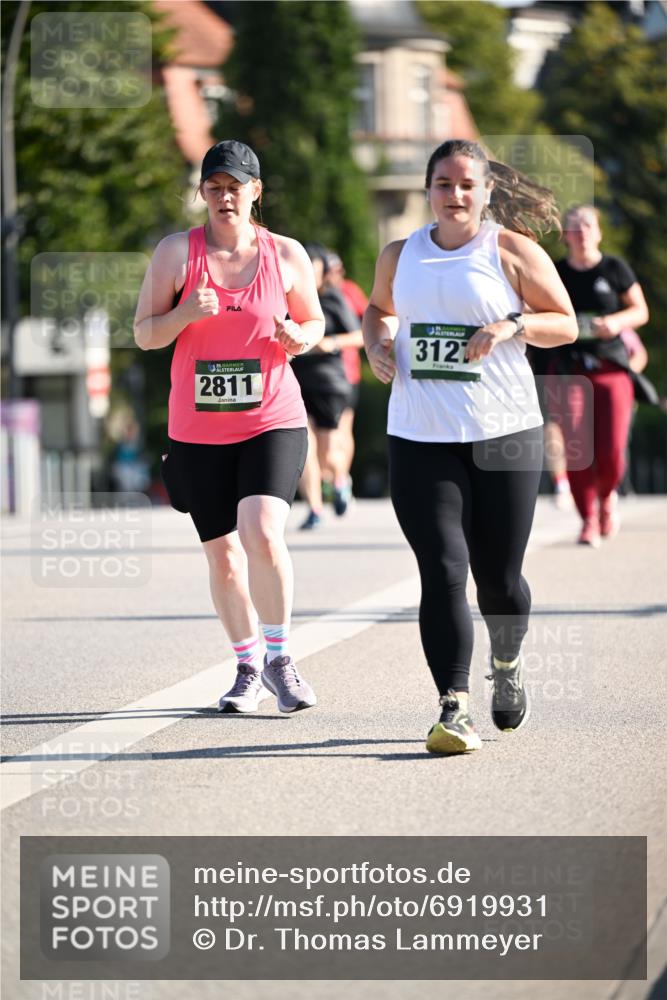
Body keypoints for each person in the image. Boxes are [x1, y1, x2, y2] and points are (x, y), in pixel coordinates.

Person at [363, 138, 577, 755]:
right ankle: (452, 708)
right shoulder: (401, 255)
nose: (453, 195)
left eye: (465, 185)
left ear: (486, 192)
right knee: (443, 571)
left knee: (499, 579)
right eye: (442, 184)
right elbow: (379, 310)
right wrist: (377, 343)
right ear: (426, 191)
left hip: (504, 435)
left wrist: (510, 325)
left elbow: (563, 321)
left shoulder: (510, 250)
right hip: (420, 436)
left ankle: (506, 667)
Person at [134, 139, 324, 714]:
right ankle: (246, 668)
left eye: (234, 188)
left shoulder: (286, 254)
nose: (224, 198)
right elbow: (144, 332)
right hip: (197, 431)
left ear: (255, 193)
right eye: (214, 188)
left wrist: (300, 336)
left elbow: (314, 321)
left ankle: (280, 659)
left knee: (262, 531)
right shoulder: (175, 254)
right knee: (222, 556)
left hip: (272, 418)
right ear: (202, 194)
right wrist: (184, 314)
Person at [551, 205, 650, 546]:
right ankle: (587, 519)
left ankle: (607, 496)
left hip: (610, 368)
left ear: (599, 231)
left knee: (610, 449)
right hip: (569, 370)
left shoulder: (614, 268)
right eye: (574, 228)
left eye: (587, 226)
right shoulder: (556, 271)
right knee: (577, 449)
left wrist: (617, 322)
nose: (581, 233)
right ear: (565, 235)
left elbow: (641, 310)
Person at [291, 243, 363, 528]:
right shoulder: (287, 299)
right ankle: (315, 507)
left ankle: (340, 479)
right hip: (294, 382)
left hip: (330, 383)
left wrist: (330, 343)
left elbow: (359, 335)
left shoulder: (334, 297)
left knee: (328, 453)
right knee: (302, 448)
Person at [326, 250, 368, 506]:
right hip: (318, 374)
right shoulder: (311, 291)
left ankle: (342, 478)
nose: (335, 275)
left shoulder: (350, 291)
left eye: (338, 270)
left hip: (347, 372)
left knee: (343, 429)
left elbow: (369, 323)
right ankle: (333, 478)